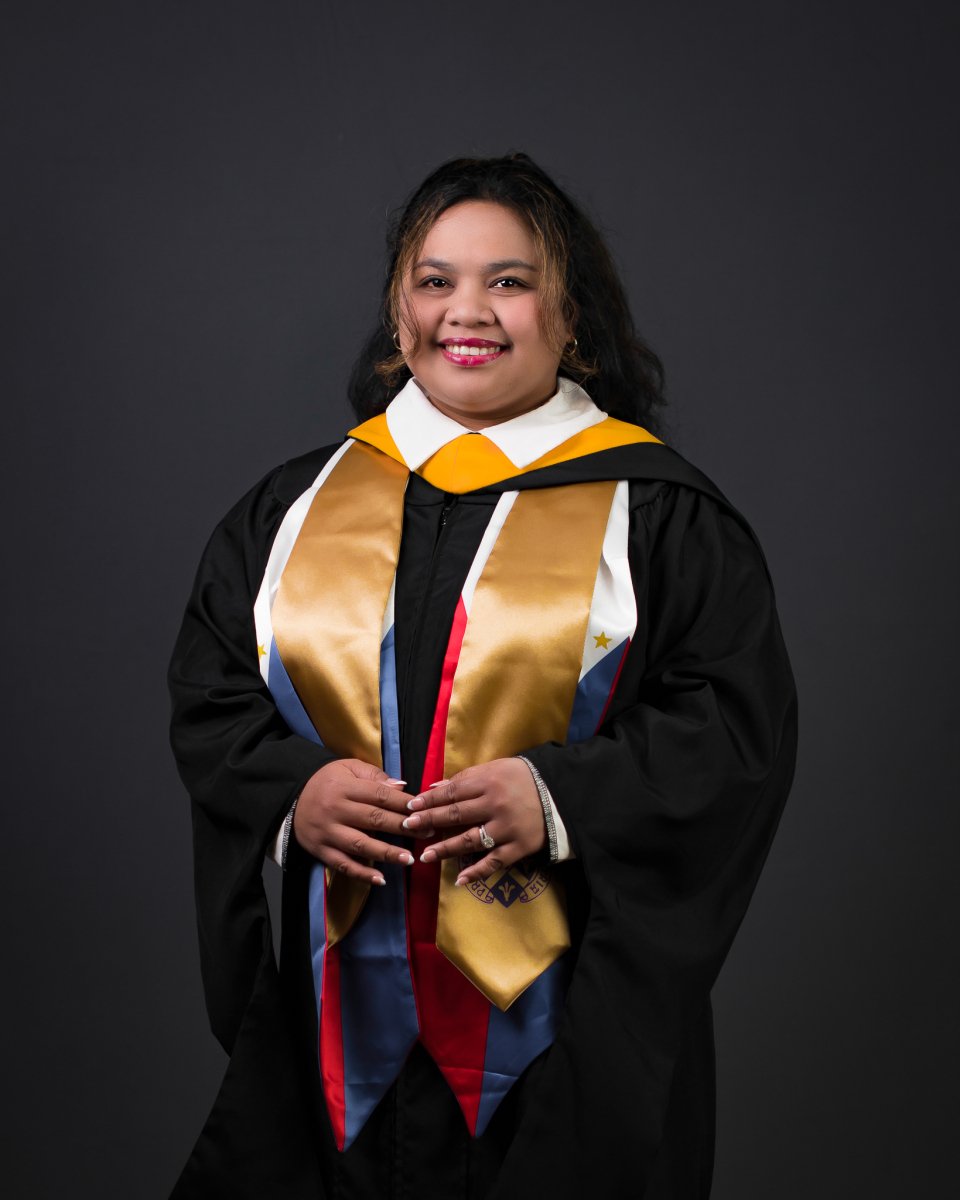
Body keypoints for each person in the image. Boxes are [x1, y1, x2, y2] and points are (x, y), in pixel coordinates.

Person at [167, 152, 798, 1200]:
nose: (468, 311)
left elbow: (732, 730)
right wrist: (293, 794)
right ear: (399, 314)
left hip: (565, 1032)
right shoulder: (293, 508)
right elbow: (212, 694)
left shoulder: (657, 516)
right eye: (436, 280)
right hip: (336, 1030)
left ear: (572, 317)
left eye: (510, 281)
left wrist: (557, 796)